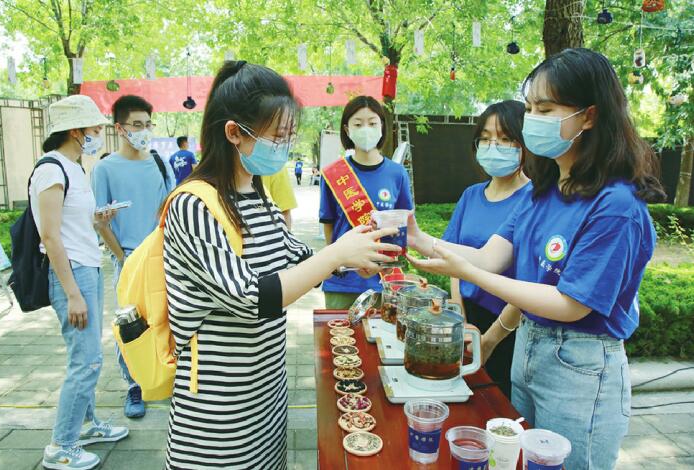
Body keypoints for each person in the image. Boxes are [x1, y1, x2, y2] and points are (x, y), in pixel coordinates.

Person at [407, 48, 666, 469]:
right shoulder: (541, 192)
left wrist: (468, 272)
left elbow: (570, 304)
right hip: (530, 347)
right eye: (529, 108)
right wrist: (420, 239)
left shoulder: (615, 206)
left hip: (579, 364)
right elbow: (490, 257)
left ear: (589, 116)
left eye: (545, 109)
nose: (533, 121)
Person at [162, 60, 398, 469]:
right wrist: (335, 254)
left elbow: (298, 257)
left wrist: (352, 262)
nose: (284, 148)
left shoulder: (257, 195)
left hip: (265, 396)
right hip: (217, 414)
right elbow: (254, 298)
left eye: (289, 137)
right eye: (277, 137)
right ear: (233, 133)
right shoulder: (193, 204)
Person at [34, 95, 128, 470]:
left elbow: (74, 224)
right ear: (75, 131)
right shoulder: (51, 169)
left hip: (87, 269)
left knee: (91, 357)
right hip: (73, 274)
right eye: (93, 129)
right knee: (84, 360)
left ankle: (86, 424)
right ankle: (61, 444)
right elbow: (51, 236)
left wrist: (98, 217)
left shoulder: (74, 168)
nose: (97, 134)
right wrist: (72, 293)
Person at [91, 95, 176, 419]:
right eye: (137, 125)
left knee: (169, 317)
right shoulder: (105, 168)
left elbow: (170, 207)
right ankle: (134, 386)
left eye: (147, 124)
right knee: (131, 322)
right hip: (127, 257)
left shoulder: (159, 162)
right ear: (120, 128)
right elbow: (99, 221)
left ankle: (169, 378)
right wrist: (122, 258)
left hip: (164, 254)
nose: (144, 131)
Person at [442, 100, 531, 399]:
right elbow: (453, 257)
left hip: (507, 326)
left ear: (524, 144)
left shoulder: (534, 199)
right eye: (486, 138)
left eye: (506, 139)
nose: (494, 146)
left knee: (497, 408)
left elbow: (529, 285)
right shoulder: (470, 195)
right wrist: (459, 317)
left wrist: (491, 339)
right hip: (466, 320)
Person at [319, 95, 413, 310]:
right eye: (358, 124)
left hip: (385, 281)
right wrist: (336, 264)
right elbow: (329, 225)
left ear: (382, 127)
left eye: (372, 123)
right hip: (343, 281)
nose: (366, 129)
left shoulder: (397, 174)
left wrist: (394, 266)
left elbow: (404, 226)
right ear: (347, 129)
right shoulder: (333, 174)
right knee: (340, 340)